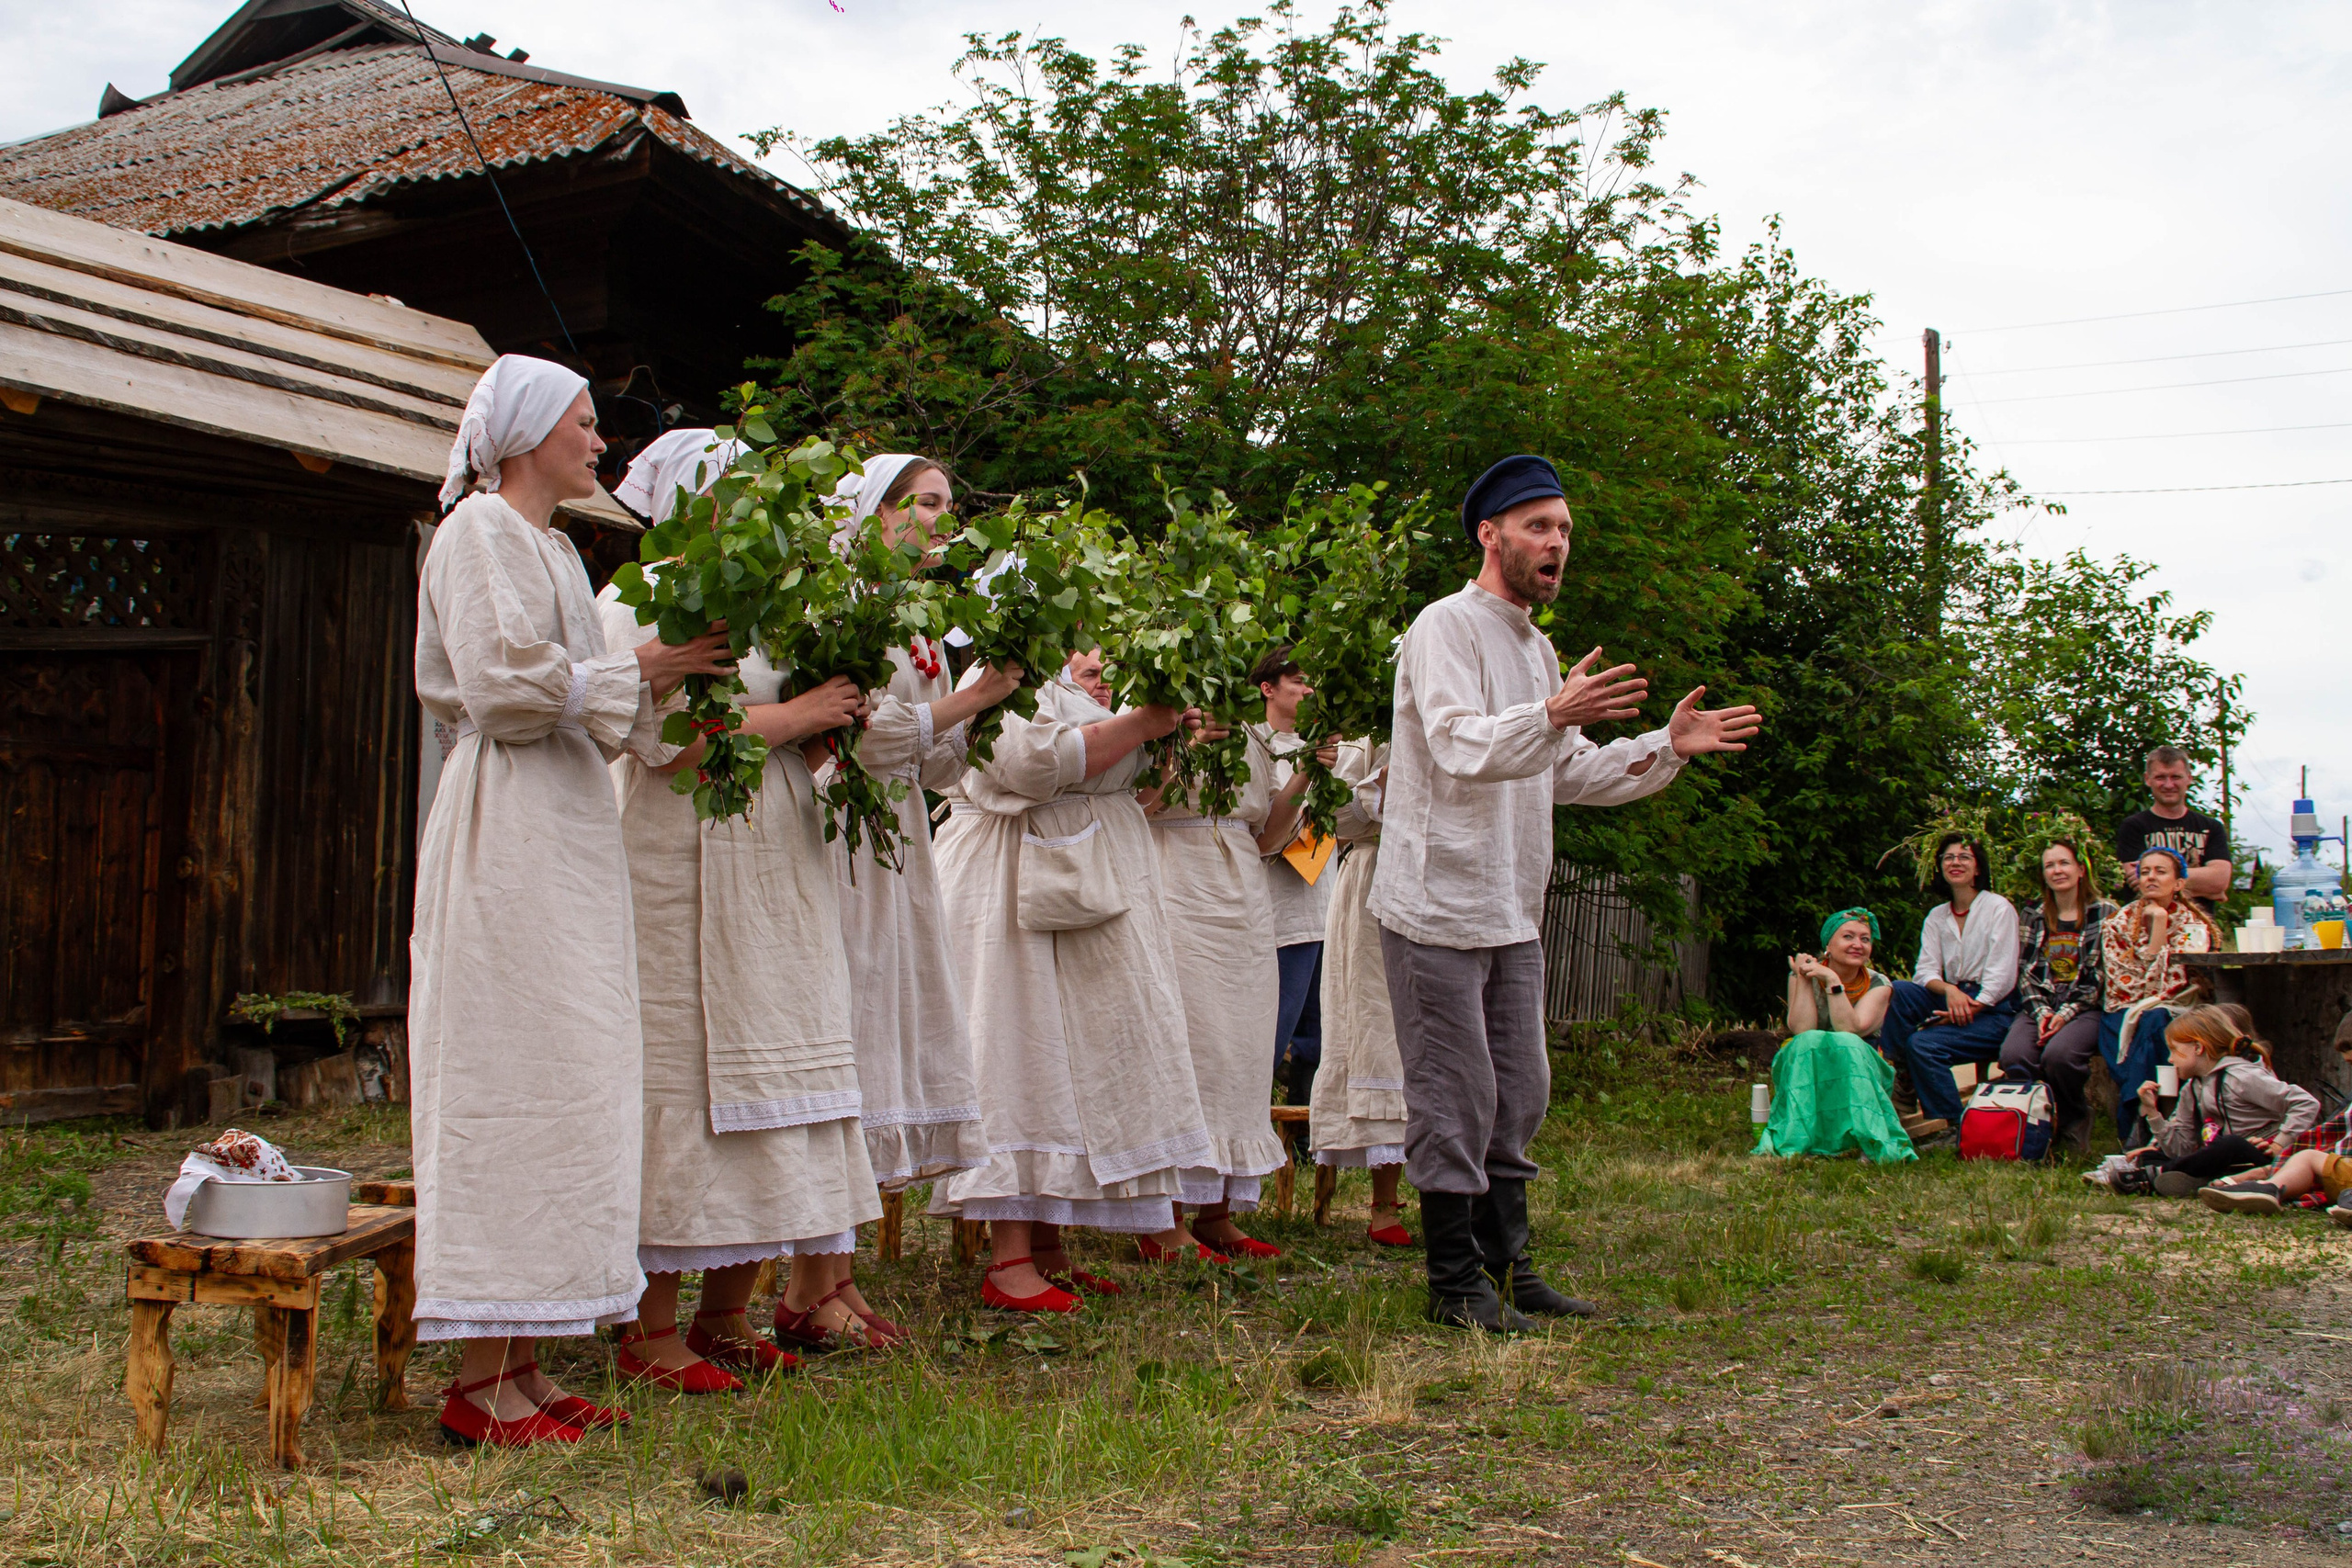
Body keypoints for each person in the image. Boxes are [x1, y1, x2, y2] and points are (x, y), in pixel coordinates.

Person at [411, 355, 733, 1446]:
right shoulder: (476, 534)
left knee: (573, 1075)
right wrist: (638, 665)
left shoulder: (551, 545)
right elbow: (503, 693)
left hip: (570, 825)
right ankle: (478, 1378)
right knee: (513, 1068)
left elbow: (613, 716)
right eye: (585, 424)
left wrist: (677, 671)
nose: (601, 443)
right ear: (529, 431)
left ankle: (530, 1354)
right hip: (506, 826)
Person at [1369, 454, 1762, 1332]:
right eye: (1540, 526)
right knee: (1456, 1092)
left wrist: (1667, 744)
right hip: (1435, 903)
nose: (1557, 543)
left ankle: (1509, 1266)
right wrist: (1551, 716)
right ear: (1491, 534)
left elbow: (1565, 773)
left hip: (1511, 906)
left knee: (1521, 1089)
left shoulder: (1538, 648)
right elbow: (1461, 743)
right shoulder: (1444, 627)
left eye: (1565, 530)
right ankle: (1452, 1284)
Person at [597, 431, 885, 1379]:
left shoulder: (769, 611)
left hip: (773, 855)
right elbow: (664, 740)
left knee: (773, 1076)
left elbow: (775, 742)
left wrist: (829, 720)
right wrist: (795, 718)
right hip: (681, 856)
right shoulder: (638, 599)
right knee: (688, 1069)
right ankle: (649, 1328)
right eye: (740, 490)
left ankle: (728, 1310)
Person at [931, 650, 1218, 1309]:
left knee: (1072, 1061)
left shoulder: (1085, 696)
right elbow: (1027, 766)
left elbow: (1139, 794)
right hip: (1016, 880)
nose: (1103, 673)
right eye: (1091, 665)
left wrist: (1166, 737)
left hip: (1094, 875)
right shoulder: (1001, 675)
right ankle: (1007, 1259)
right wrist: (1142, 724)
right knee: (1022, 1052)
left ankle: (1049, 1242)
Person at [819, 455, 1019, 1339]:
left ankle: (834, 1271)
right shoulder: (841, 605)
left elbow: (932, 764)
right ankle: (810, 1278)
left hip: (899, 837)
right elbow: (858, 737)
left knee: (884, 1034)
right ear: (878, 512)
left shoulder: (917, 624)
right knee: (847, 1029)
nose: (942, 519)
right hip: (839, 828)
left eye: (946, 504)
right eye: (926, 503)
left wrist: (981, 707)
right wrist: (970, 697)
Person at [1145, 705, 1294, 1260]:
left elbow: (1267, 836)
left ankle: (1217, 1212)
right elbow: (1134, 807)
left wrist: (1307, 774)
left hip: (1242, 895)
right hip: (1176, 882)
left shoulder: (1252, 733)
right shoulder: (1160, 715)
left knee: (1241, 1048)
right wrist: (1181, 748)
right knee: (1190, 1045)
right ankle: (1162, 1218)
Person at [1307, 739, 1412, 1246]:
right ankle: (1385, 1205)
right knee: (1379, 1030)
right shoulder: (1370, 731)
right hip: (1375, 883)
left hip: (1445, 877)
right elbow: (1333, 818)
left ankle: (1458, 1195)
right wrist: (1382, 786)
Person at [1875, 836, 2020, 1146]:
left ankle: (1953, 1126)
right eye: (1948, 858)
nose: (1955, 863)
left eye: (1964, 857)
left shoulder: (1998, 908)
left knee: (1923, 1044)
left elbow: (2002, 975)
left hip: (1994, 1010)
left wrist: (1970, 1007)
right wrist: (1950, 992)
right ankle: (1904, 1078)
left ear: (1978, 867)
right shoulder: (1938, 916)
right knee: (1901, 990)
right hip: (1954, 995)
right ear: (1939, 867)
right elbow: (1925, 971)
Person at [2083, 1005, 2317, 1197]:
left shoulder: (2241, 1076)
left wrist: (2280, 1143)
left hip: (2259, 1158)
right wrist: (2153, 1113)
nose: (2170, 1058)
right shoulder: (2192, 1088)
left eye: (2174, 1050)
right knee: (2151, 1155)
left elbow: (2306, 1103)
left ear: (2197, 1047)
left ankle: (2154, 1176)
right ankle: (2197, 1180)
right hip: (2222, 1158)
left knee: (2230, 1144)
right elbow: (2181, 1147)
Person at [1249, 644, 1339, 1108]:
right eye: (1297, 681)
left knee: (1319, 1038)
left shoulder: (1330, 747)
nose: (1308, 689)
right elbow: (1263, 831)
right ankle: (1247, 1129)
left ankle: (1304, 1140)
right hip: (1282, 913)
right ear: (1268, 688)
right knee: (1273, 1029)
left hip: (1328, 905)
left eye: (1310, 681)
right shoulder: (1255, 746)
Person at [1754, 908, 1914, 1163]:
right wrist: (1804, 979)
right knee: (1807, 1042)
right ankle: (1800, 1138)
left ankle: (1866, 1137)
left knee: (1846, 1042)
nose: (1857, 945)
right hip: (1812, 1057)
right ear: (1828, 944)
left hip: (1859, 1059)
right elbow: (1803, 1029)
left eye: (1865, 939)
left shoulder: (1879, 984)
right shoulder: (1802, 975)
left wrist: (1832, 981)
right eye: (1848, 937)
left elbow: (1849, 1029)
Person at [1996, 839, 2117, 1154]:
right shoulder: (2033, 913)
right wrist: (2041, 1013)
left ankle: (2073, 1121)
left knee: (2059, 1056)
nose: (2057, 870)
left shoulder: (2105, 913)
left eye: (2064, 863)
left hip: (2086, 1006)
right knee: (2014, 1055)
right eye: (2050, 865)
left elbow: (2102, 974)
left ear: (2080, 869)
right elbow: (2023, 971)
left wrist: (2065, 1014)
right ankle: (2036, 1125)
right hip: (2040, 1005)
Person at [2099, 846, 2222, 1148]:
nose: (2151, 877)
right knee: (2147, 1027)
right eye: (2145, 872)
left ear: (2179, 883)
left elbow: (2170, 990)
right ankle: (2148, 1128)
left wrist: (2162, 923)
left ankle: (2134, 1128)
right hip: (2122, 1012)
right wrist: (2158, 930)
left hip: (2173, 1012)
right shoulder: (2117, 924)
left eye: (2160, 871)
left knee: (2156, 1021)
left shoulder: (2195, 927)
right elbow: (2127, 986)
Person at [2199, 1011, 2352, 1222]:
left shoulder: (2241, 1077)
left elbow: (2305, 1104)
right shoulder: (2198, 1086)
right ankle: (2267, 1190)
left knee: (2235, 1146)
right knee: (2306, 1157)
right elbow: (2333, 1137)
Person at [2117, 746, 2233, 901]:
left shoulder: (2211, 827)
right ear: (2147, 779)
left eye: (2176, 777)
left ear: (2189, 778)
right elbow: (2139, 884)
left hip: (2199, 924)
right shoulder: (2133, 827)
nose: (2169, 785)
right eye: (2160, 777)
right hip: (2149, 922)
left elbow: (2220, 881)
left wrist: (2159, 878)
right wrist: (2208, 889)